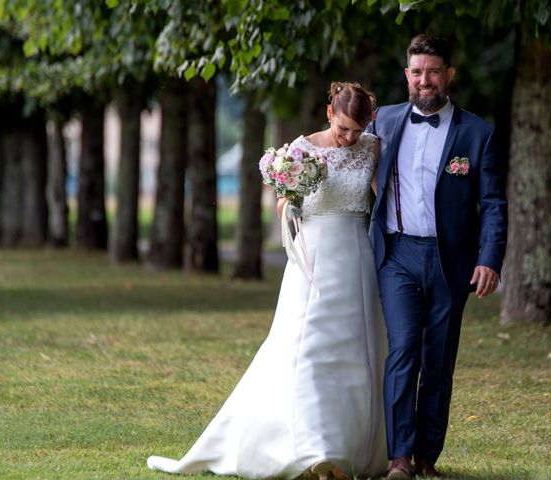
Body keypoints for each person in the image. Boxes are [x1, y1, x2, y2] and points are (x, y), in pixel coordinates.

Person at [147, 82, 387, 479]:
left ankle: (356, 446)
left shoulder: (371, 148)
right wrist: (288, 202)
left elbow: (380, 198)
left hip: (357, 257)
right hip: (313, 259)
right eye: (343, 129)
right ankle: (318, 452)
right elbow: (282, 199)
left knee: (359, 354)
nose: (348, 138)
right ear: (329, 114)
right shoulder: (301, 149)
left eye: (356, 131)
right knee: (308, 351)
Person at [368, 34, 507, 479]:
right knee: (404, 348)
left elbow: (493, 203)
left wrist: (490, 257)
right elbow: (343, 155)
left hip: (452, 261)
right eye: (416, 72)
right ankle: (399, 458)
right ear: (406, 76)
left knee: (439, 359)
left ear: (448, 74)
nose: (424, 80)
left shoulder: (478, 132)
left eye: (432, 72)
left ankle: (428, 457)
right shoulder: (383, 121)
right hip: (397, 255)